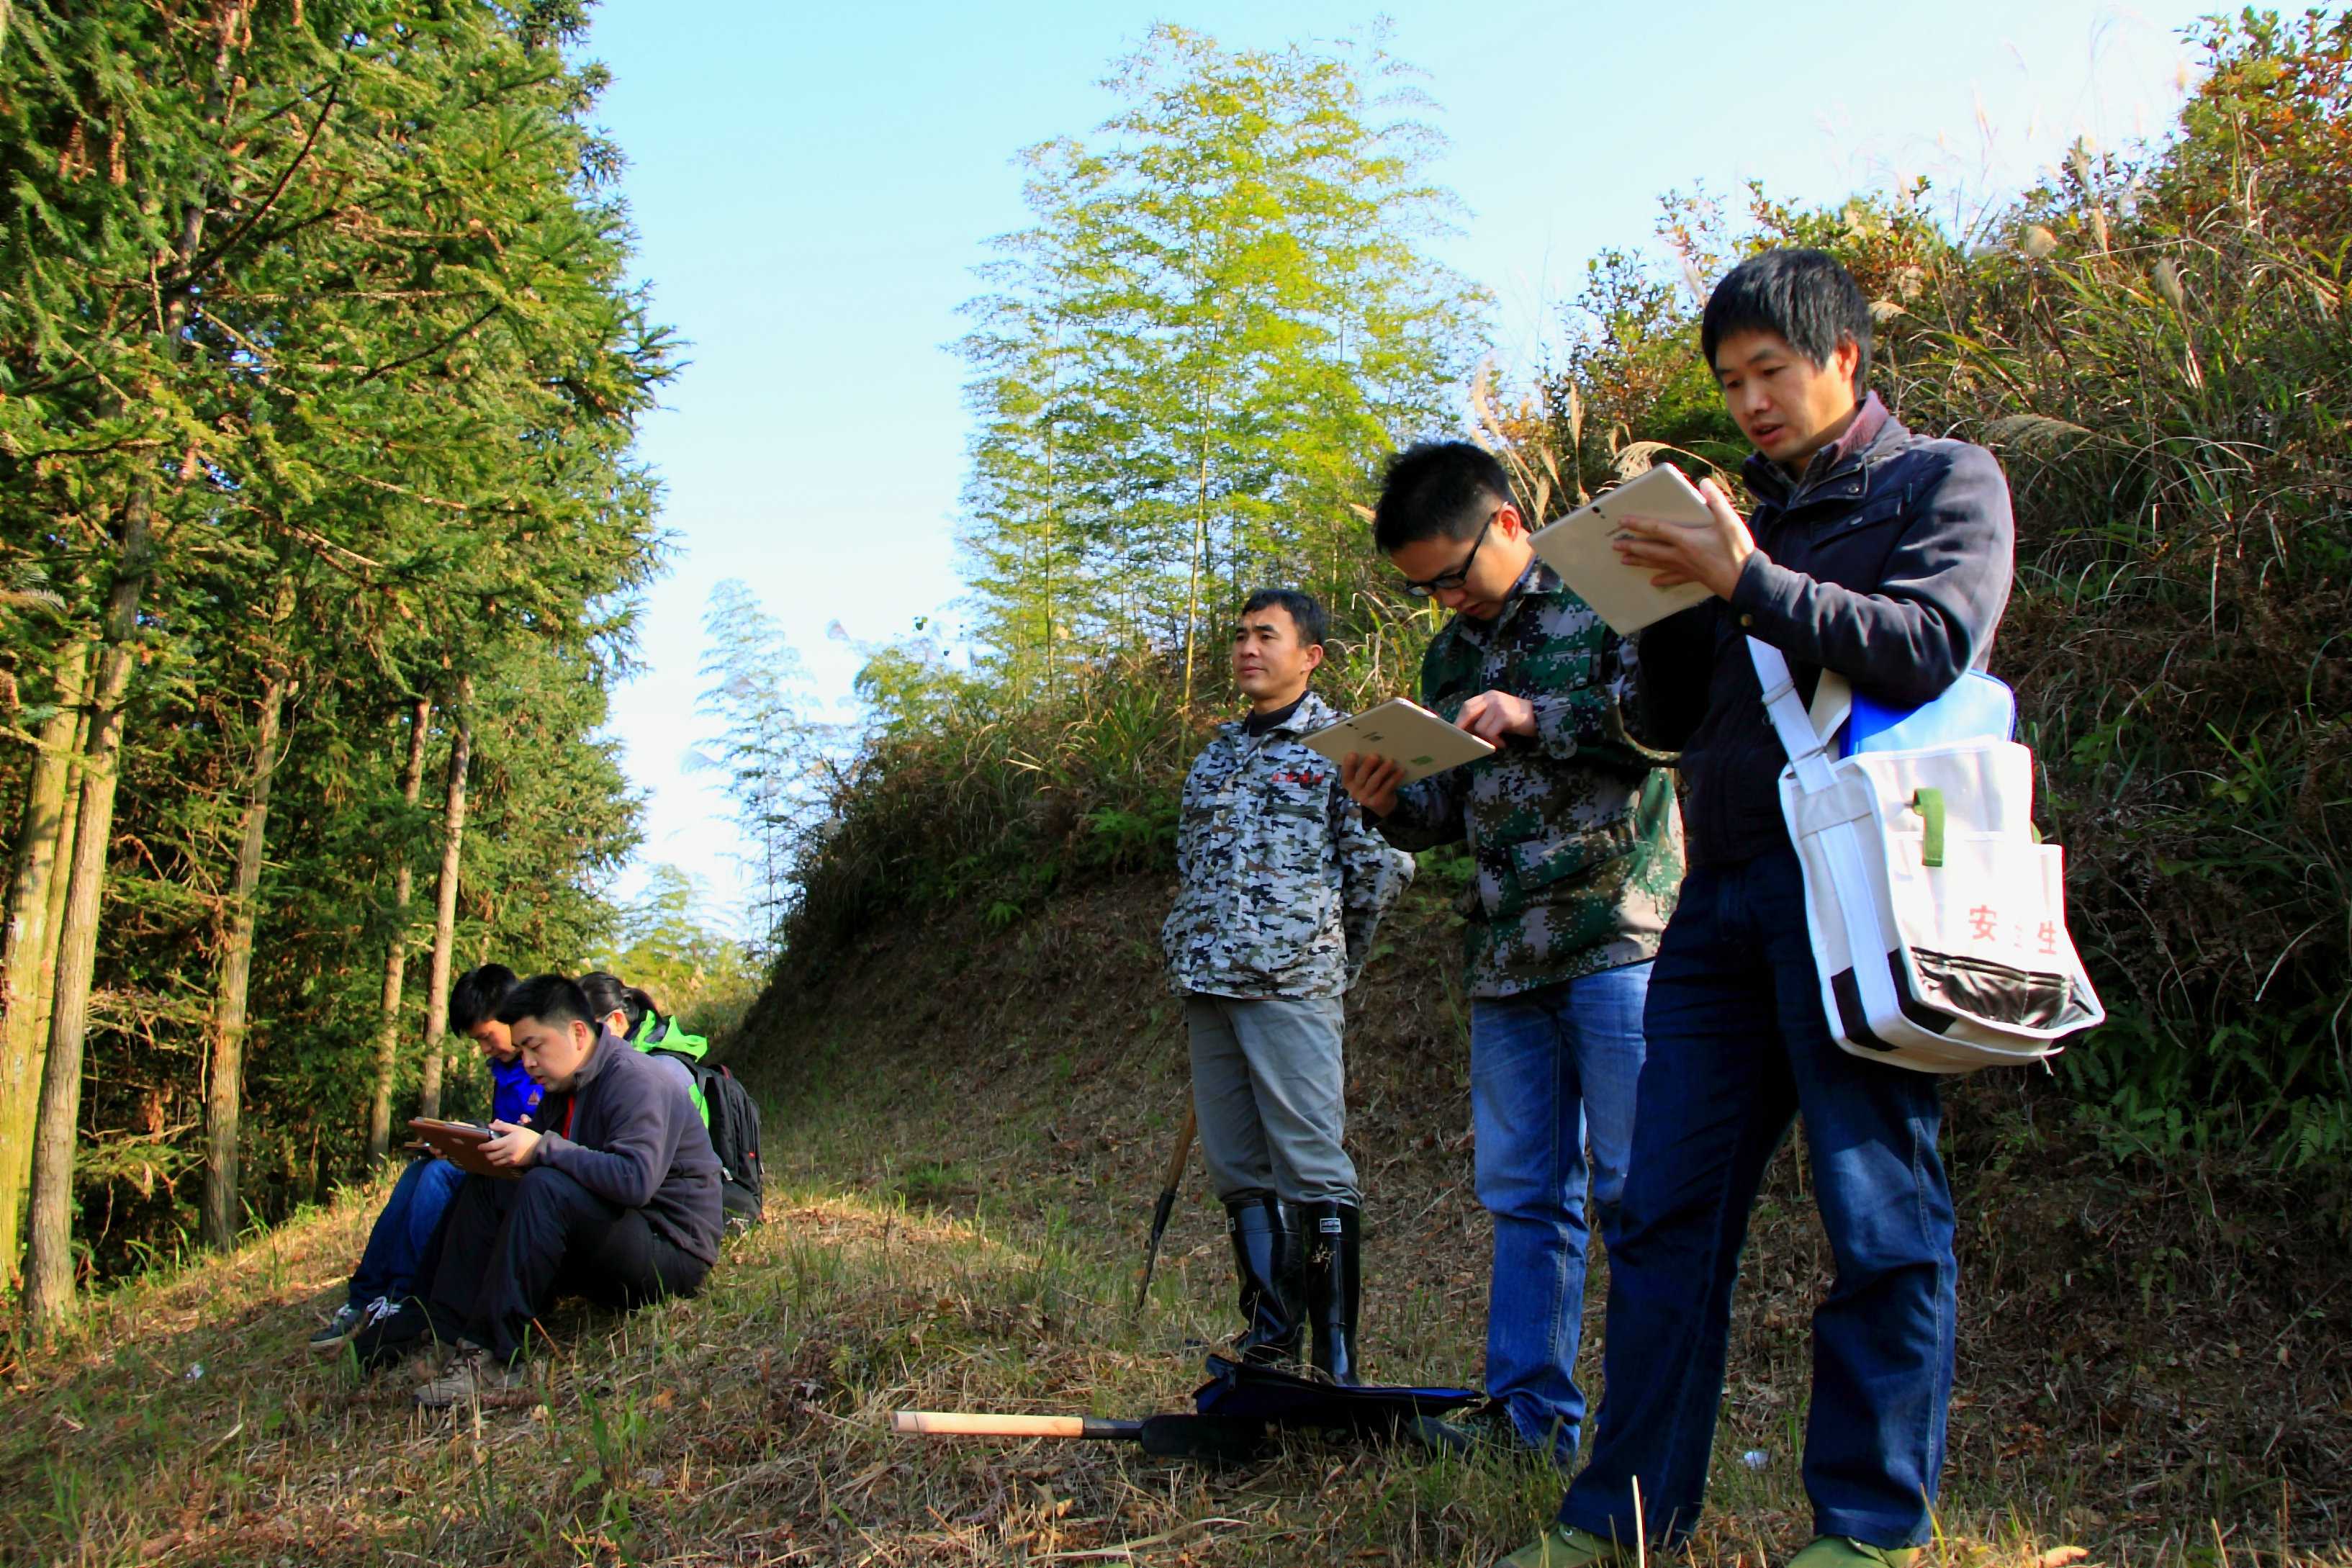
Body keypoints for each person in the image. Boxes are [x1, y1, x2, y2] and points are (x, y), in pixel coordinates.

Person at [1505, 249, 2015, 1568]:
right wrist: (1663, 606)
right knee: (1662, 1214)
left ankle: (1866, 1526)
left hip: (1855, 888)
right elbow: (1676, 721)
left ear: (1843, 354)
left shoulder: (1939, 482)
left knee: (1877, 1213)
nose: (1750, 402)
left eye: (1770, 372)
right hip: (1717, 901)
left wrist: (1744, 579)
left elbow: (1926, 640)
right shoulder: (1748, 521)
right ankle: (1618, 1519)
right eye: (1730, 381)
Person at [1339, 443, 1684, 1465]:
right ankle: (1528, 1419)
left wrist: (1538, 714)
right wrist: (1391, 801)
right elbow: (1445, 808)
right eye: (1423, 587)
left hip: (1617, 932)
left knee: (1636, 1189)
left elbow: (1667, 723)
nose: (1445, 599)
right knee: (1524, 1193)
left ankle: (1645, 1427)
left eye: (1452, 573)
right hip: (1502, 953)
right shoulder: (1449, 656)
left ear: (1502, 523)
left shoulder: (1604, 586)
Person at [1163, 589, 1414, 1384]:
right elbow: (1190, 865)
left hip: (1292, 984)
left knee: (1312, 1165)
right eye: (1239, 635)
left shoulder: (1346, 746)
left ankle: (1334, 1361)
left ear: (1309, 655)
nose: (1246, 649)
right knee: (1239, 1168)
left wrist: (1327, 955)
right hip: (1211, 987)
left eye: (1266, 636)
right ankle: (1269, 1342)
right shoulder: (1216, 753)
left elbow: (1381, 866)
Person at [386, 973, 724, 1406]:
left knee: (545, 1183)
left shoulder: (637, 1080)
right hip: (617, 1232)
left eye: (534, 1046)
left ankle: (493, 1358)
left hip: (671, 1250)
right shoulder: (566, 1085)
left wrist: (541, 1148)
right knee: (490, 1179)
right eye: (522, 1048)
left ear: (578, 1032)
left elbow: (635, 1181)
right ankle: (448, 1333)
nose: (526, 1062)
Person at [309, 963, 539, 1351]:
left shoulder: (539, 1059)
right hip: (499, 1157)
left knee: (437, 1175)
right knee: (419, 1171)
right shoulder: (505, 1067)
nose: (485, 1049)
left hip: (520, 1172)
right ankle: (364, 1296)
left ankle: (404, 1296)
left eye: (486, 1037)